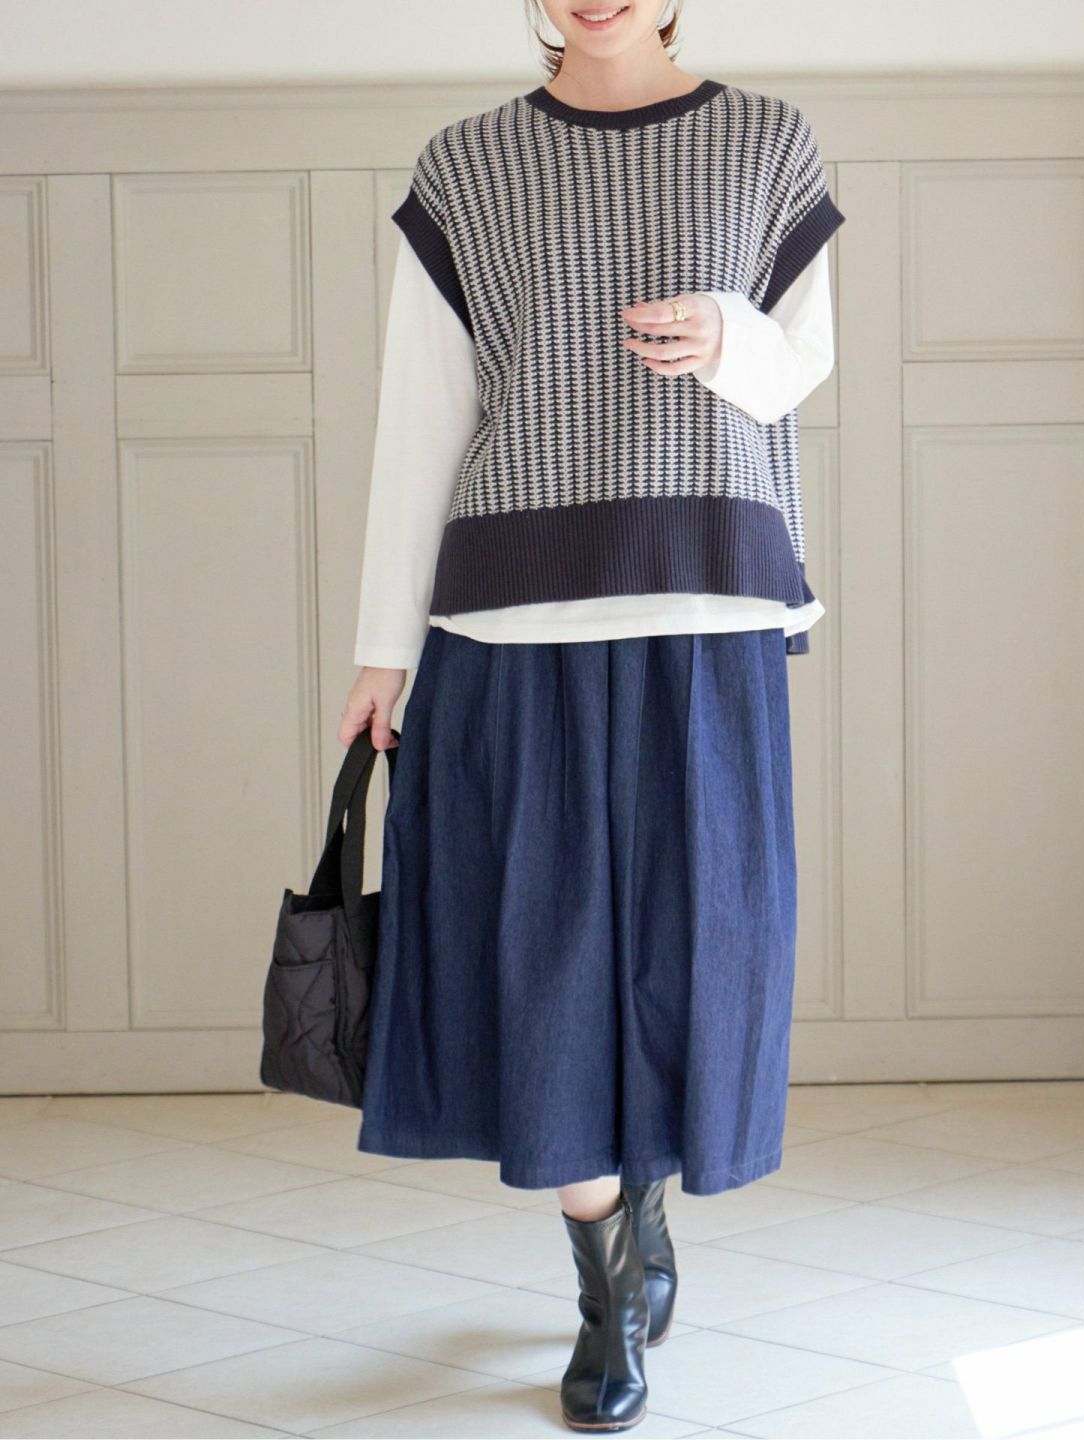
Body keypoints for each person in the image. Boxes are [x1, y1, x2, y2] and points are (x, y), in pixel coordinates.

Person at [337, 0, 845, 1429]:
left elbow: (799, 363)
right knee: (542, 961)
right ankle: (609, 1287)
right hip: (514, 616)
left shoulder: (766, 140)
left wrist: (728, 335)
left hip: (706, 600)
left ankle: (648, 1206)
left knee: (700, 950)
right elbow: (424, 412)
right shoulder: (469, 163)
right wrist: (382, 647)